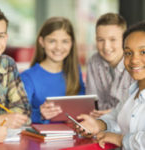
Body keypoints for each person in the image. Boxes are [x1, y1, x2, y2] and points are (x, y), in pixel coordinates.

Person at [77, 21, 145, 150]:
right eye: (128, 53)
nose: (134, 60)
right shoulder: (132, 92)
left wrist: (120, 139)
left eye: (143, 52)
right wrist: (99, 124)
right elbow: (117, 116)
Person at [20, 17, 85, 124]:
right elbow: (19, 113)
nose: (58, 47)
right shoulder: (27, 77)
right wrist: (39, 114)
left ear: (71, 43)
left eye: (65, 41)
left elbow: (81, 105)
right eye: (52, 41)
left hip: (73, 136)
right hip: (41, 138)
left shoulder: (75, 71)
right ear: (42, 42)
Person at [86, 13, 134, 118]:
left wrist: (113, 114)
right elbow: (91, 103)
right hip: (101, 123)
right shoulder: (94, 62)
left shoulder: (136, 63)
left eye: (113, 40)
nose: (106, 47)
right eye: (100, 40)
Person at [0, 7, 30, 130]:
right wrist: (1, 120)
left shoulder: (7, 63)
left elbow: (24, 110)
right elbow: (6, 119)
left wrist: (9, 119)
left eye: (0, 36)